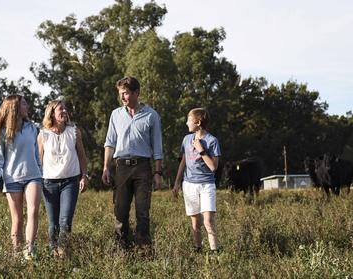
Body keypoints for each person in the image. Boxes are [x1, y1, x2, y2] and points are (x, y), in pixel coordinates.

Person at [102, 76, 163, 249]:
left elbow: (157, 147)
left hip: (143, 167)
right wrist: (106, 167)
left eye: (126, 93)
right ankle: (122, 251)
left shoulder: (151, 115)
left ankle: (143, 251)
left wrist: (158, 173)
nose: (123, 97)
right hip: (121, 167)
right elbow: (109, 143)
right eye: (121, 93)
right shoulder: (116, 115)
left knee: (142, 211)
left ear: (136, 93)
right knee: (120, 211)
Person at [0, 95, 42, 260]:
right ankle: (16, 255)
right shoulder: (3, 132)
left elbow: (36, 152)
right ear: (15, 108)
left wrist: (40, 170)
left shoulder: (32, 128)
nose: (27, 106)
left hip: (33, 176)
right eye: (24, 104)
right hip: (12, 179)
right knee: (17, 219)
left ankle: (29, 251)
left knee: (34, 211)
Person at [38, 100, 90, 259]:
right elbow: (38, 160)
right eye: (61, 109)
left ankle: (62, 253)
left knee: (65, 221)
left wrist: (84, 175)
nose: (65, 111)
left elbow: (82, 156)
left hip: (70, 182)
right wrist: (36, 182)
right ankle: (53, 253)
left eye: (66, 109)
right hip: (48, 183)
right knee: (53, 224)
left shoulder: (74, 131)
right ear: (52, 113)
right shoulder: (43, 134)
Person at [173, 108, 221, 253]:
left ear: (198, 122)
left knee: (208, 221)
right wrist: (176, 183)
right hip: (189, 185)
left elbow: (213, 167)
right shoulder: (186, 139)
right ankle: (198, 249)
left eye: (189, 119)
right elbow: (183, 162)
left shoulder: (212, 141)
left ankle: (215, 252)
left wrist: (201, 150)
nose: (186, 122)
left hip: (206, 185)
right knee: (195, 223)